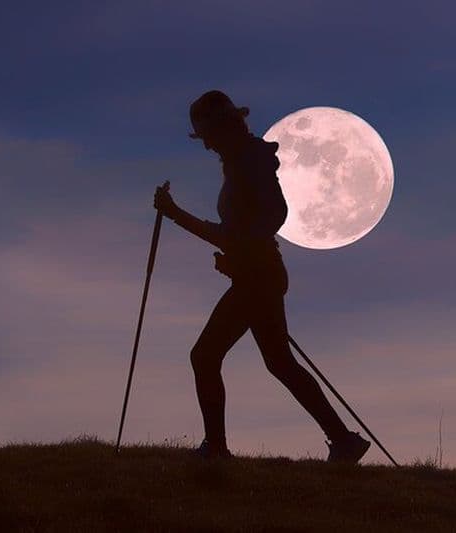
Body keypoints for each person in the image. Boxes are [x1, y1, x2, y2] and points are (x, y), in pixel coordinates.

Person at [153, 90, 370, 463]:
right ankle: (343, 441)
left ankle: (217, 449)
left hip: (259, 277)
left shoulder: (250, 162)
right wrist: (237, 256)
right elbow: (246, 228)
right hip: (258, 274)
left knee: (206, 356)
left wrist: (179, 216)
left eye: (206, 136)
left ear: (222, 128)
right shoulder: (243, 161)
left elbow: (274, 215)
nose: (205, 146)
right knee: (279, 363)